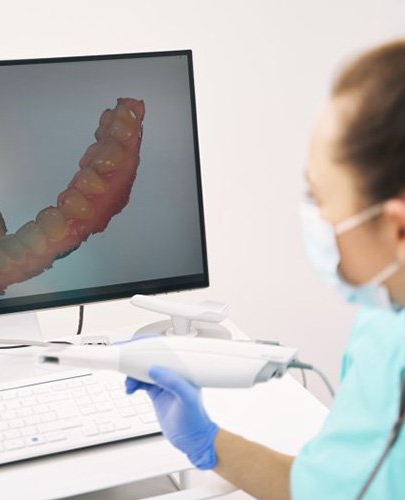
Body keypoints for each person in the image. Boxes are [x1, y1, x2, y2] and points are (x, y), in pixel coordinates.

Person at [125, 39, 405, 499]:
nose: (312, 218)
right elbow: (329, 488)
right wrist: (209, 443)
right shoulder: (385, 318)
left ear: (395, 230)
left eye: (320, 196)